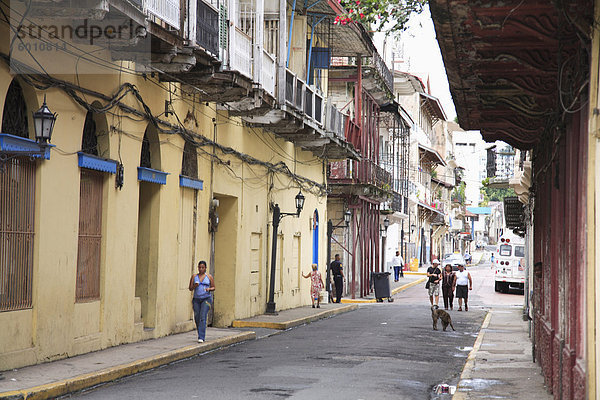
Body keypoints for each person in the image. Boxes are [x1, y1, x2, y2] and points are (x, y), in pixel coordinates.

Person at [188, 260, 215, 343]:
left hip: (206, 299)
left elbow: (213, 287)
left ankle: (201, 336)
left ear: (205, 268)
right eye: (199, 267)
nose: (201, 269)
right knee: (197, 317)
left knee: (203, 317)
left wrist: (209, 289)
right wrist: (195, 286)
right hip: (196, 299)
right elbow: (190, 288)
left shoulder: (209, 277)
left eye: (203, 267)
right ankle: (200, 331)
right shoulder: (194, 276)